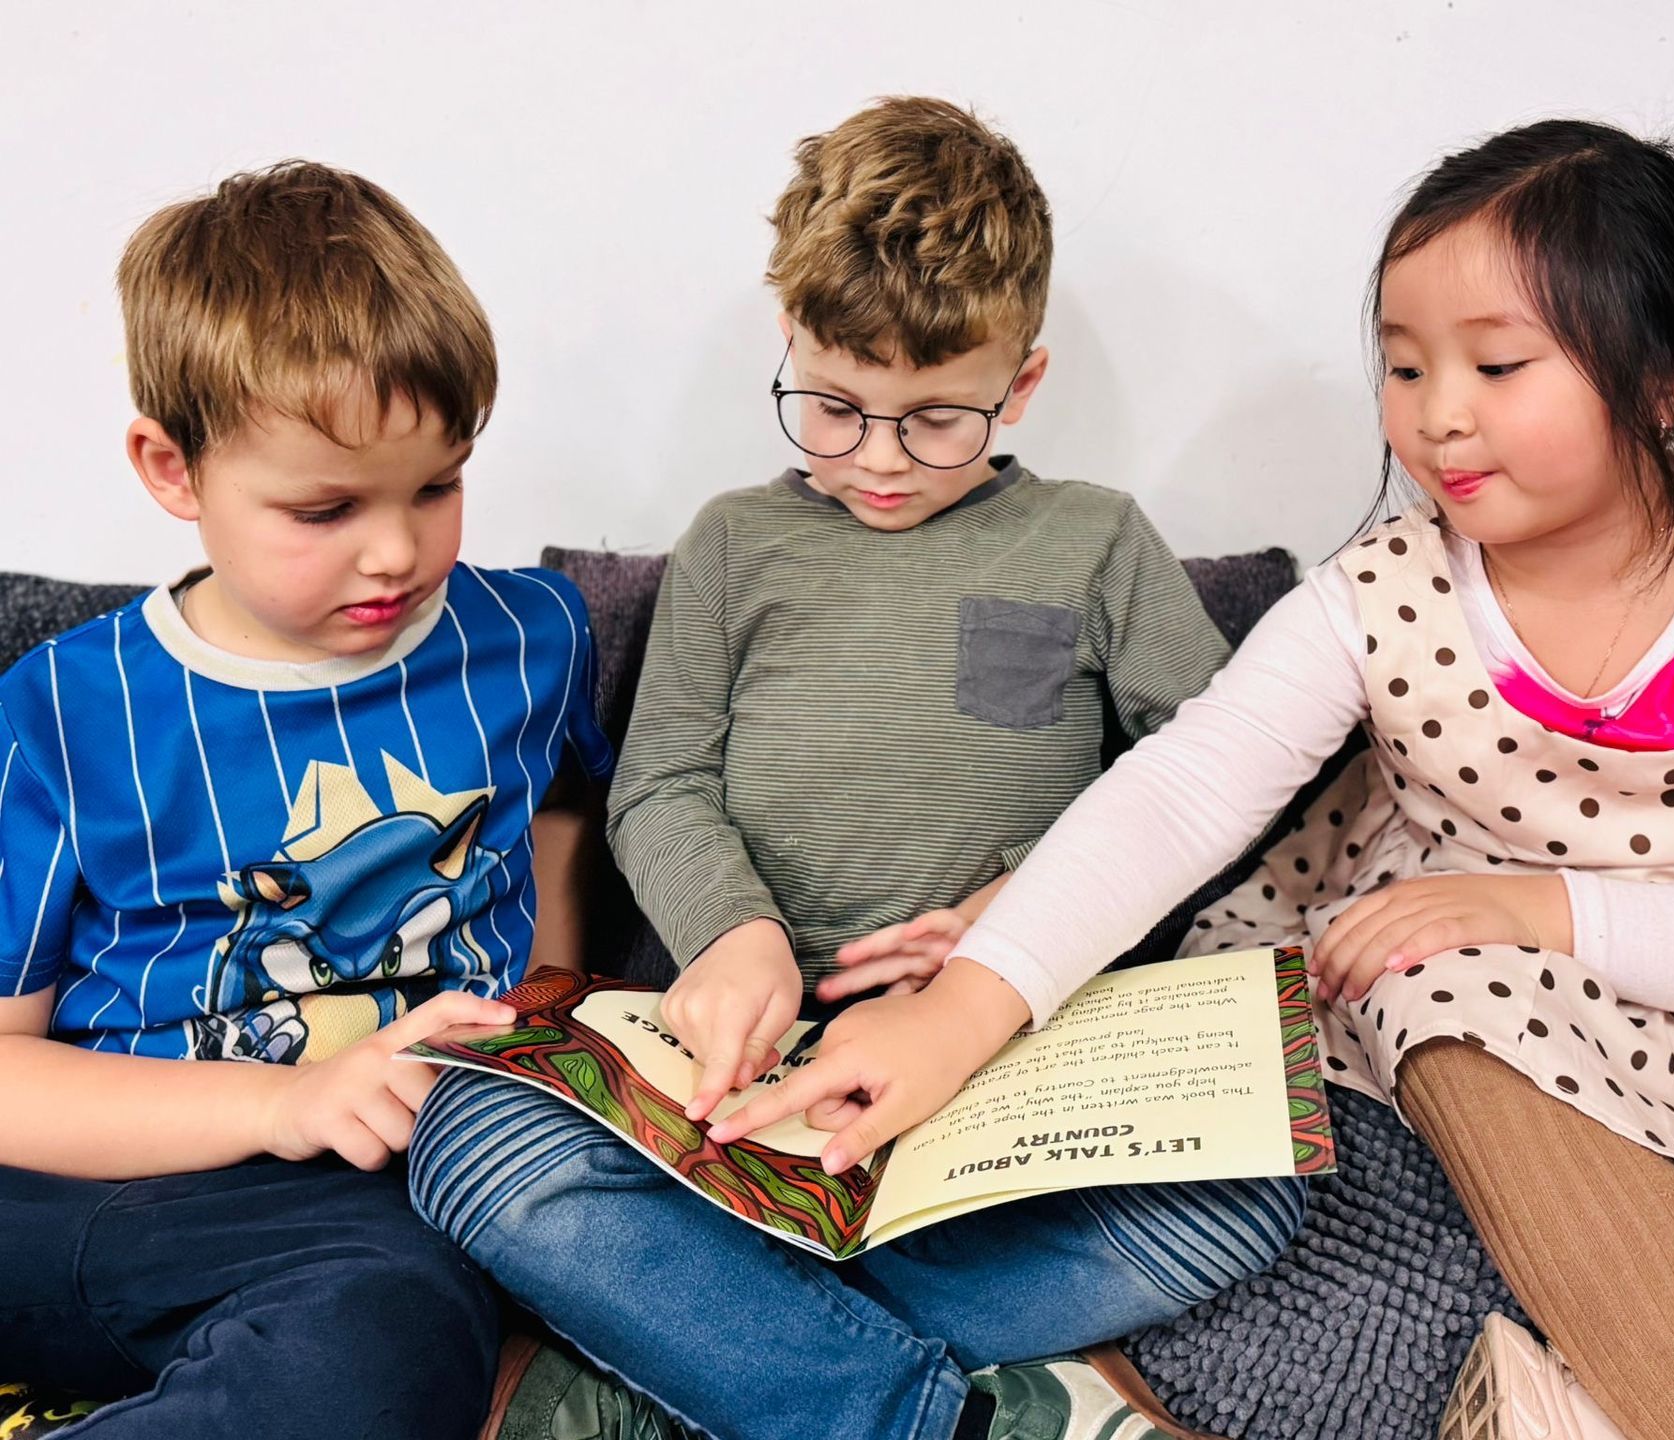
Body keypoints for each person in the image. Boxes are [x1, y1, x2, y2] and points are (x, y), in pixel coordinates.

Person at [735, 119, 1674, 1440]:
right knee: (1438, 960)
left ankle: (1597, 1407)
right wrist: (959, 1013)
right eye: (1405, 367)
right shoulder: (1384, 594)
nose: (1438, 412)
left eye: (1497, 363)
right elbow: (1182, 791)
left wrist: (1536, 907)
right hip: (1475, 1004)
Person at [410, 96, 1305, 1440]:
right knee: (471, 1148)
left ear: (1025, 384)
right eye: (834, 408)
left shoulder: (1094, 542)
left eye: (938, 421)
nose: (880, 461)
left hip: (1001, 1071)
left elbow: (1211, 775)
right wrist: (732, 939)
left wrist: (1015, 921)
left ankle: (716, 1346)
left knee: (1257, 1187)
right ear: (791, 343)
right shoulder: (735, 546)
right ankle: (916, 1409)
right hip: (738, 1076)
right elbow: (659, 786)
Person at [0, 161, 613, 1437]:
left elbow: (577, 812)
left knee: (384, 1342)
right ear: (172, 469)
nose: (394, 551)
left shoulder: (536, 635)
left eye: (437, 486)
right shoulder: (65, 706)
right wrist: (276, 1101)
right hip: (90, 1175)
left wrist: (552, 982)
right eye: (323, 509)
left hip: (344, 1225)